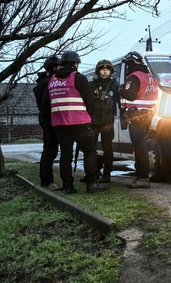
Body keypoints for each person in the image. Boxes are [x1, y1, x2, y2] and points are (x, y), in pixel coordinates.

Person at [46, 50, 107, 194]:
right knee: (90, 151)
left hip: (59, 123)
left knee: (65, 154)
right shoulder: (77, 77)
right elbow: (90, 100)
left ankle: (68, 186)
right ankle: (91, 183)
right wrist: (90, 116)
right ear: (75, 63)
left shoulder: (53, 80)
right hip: (78, 122)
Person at [119, 51, 158, 188]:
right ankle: (140, 175)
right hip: (148, 116)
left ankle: (143, 178)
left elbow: (130, 95)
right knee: (142, 146)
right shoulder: (151, 78)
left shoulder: (134, 77)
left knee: (139, 147)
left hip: (137, 117)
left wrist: (120, 89)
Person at [90, 59, 119, 183]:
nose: (105, 71)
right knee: (91, 148)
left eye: (107, 69)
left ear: (110, 71)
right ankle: (93, 173)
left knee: (107, 148)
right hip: (94, 121)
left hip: (108, 121)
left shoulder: (114, 85)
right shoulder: (92, 84)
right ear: (98, 71)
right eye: (103, 69)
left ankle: (107, 174)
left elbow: (120, 102)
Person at [34, 55, 61, 191]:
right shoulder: (48, 82)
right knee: (50, 151)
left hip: (47, 119)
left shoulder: (43, 81)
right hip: (50, 119)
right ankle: (47, 182)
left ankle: (46, 180)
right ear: (54, 67)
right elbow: (46, 103)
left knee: (49, 151)